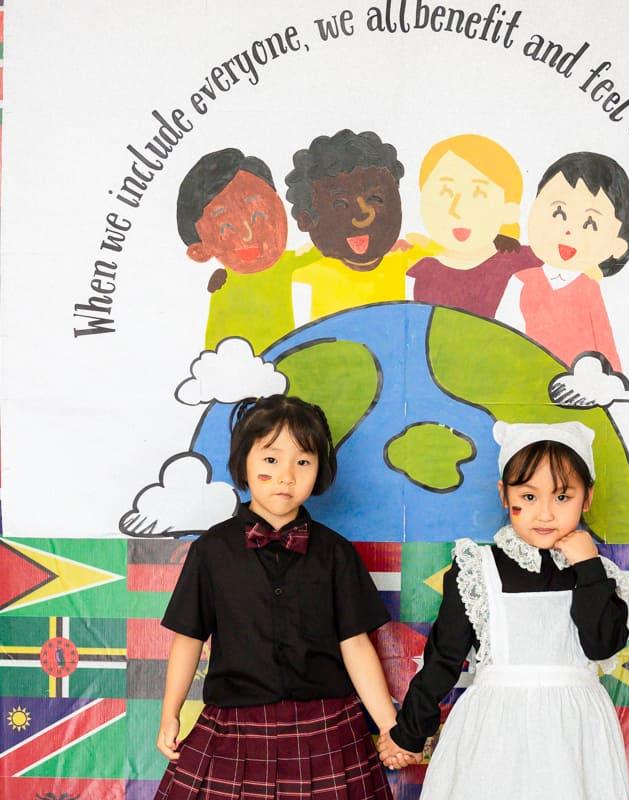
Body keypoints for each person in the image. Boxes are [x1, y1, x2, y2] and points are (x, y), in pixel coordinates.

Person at [377, 420, 629, 799]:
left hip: (576, 737)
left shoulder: (600, 575)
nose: (545, 513)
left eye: (562, 497)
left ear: (588, 497)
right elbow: (444, 658)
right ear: (504, 494)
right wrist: (409, 734)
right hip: (494, 735)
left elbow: (602, 646)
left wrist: (589, 568)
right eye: (529, 497)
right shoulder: (477, 569)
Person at [154, 394, 395, 799]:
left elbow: (355, 644)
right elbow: (188, 638)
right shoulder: (211, 551)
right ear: (243, 463)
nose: (286, 475)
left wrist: (389, 724)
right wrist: (169, 713)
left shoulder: (336, 553)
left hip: (327, 729)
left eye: (302, 462)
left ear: (319, 470)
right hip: (236, 727)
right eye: (271, 459)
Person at [498, 152, 629, 371]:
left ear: (617, 245)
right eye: (559, 213)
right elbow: (501, 335)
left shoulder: (588, 289)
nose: (569, 230)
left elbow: (604, 344)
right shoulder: (520, 282)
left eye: (590, 223)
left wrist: (611, 379)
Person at [285, 128, 435, 325]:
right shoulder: (305, 278)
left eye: (375, 199)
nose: (362, 215)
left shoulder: (412, 264)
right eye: (340, 205)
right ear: (305, 219)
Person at [177, 149, 317, 353]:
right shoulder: (223, 283)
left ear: (279, 207)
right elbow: (215, 344)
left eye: (258, 215)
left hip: (284, 360)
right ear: (200, 251)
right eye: (227, 227)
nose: (248, 235)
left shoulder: (287, 265)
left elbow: (320, 252)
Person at [408, 134, 534, 318]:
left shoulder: (528, 264)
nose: (459, 209)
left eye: (479, 193)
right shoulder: (419, 274)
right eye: (445, 192)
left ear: (510, 209)